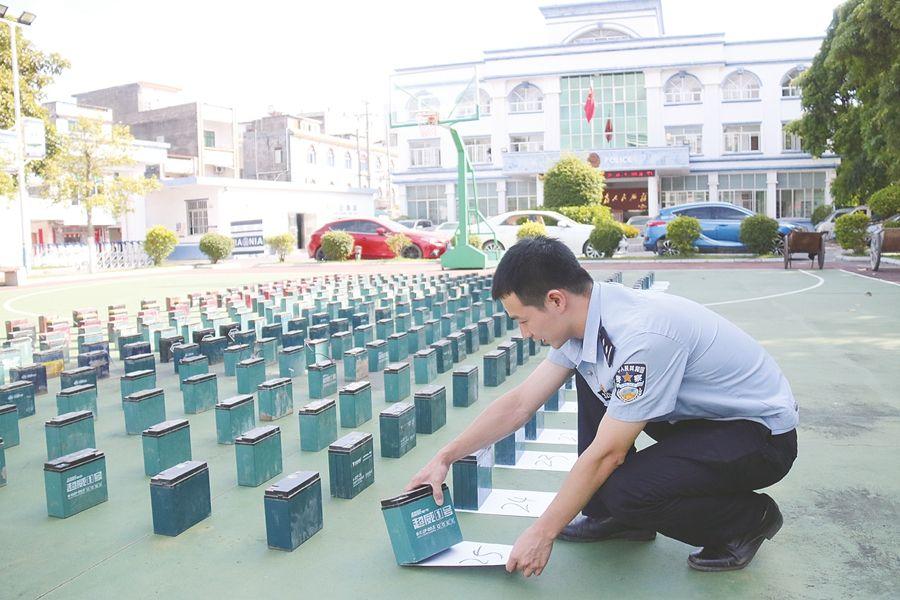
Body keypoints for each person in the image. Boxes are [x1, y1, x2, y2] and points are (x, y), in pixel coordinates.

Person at [405, 237, 798, 577]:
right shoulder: (586, 319)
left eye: (523, 320)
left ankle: (747, 521)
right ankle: (617, 519)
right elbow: (520, 404)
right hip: (701, 420)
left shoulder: (640, 337)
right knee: (592, 377)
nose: (524, 333)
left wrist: (543, 532)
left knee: (627, 490)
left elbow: (607, 454)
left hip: (758, 437)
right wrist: (447, 456)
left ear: (555, 300)